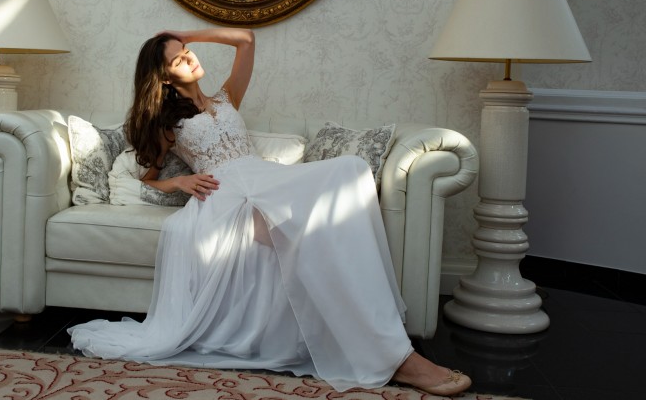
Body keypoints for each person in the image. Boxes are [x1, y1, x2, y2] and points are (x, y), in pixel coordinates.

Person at [68, 28, 472, 396]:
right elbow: (148, 178)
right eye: (178, 59)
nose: (189, 57)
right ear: (165, 77)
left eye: (187, 51)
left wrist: (185, 34)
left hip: (264, 177)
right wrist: (179, 182)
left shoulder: (226, 97)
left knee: (350, 170)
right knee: (285, 235)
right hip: (226, 196)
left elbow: (245, 39)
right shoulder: (167, 122)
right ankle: (396, 359)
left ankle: (386, 348)